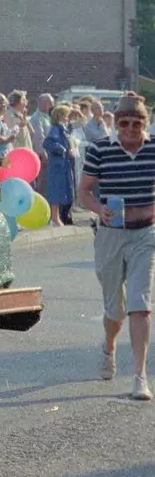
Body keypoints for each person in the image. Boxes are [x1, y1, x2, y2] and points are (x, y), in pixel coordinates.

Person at [77, 94, 155, 401]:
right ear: (115, 122)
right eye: (124, 122)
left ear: (145, 124)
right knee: (116, 310)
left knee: (140, 302)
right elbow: (83, 191)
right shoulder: (100, 149)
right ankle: (109, 347)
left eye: (137, 123)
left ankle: (139, 376)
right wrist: (99, 209)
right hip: (110, 234)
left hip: (144, 234)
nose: (130, 129)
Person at [42, 103, 76, 227]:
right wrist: (62, 149)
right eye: (66, 115)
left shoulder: (62, 128)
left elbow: (69, 132)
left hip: (63, 165)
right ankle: (55, 218)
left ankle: (56, 218)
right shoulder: (55, 129)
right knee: (56, 191)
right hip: (57, 165)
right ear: (61, 116)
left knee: (62, 191)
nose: (68, 117)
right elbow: (47, 143)